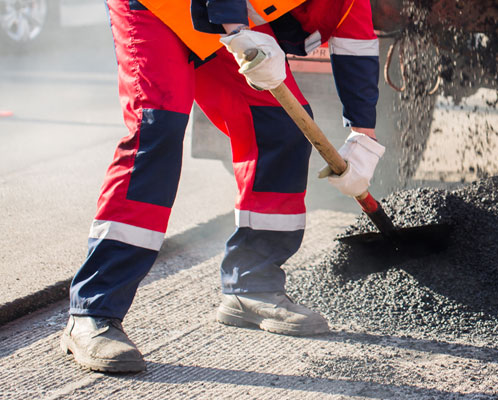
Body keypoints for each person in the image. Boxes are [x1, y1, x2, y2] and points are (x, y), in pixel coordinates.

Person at [60, 0, 385, 373]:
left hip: (222, 14)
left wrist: (363, 138)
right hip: (156, 8)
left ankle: (252, 282)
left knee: (282, 126)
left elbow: (356, 43)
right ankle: (93, 311)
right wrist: (236, 31)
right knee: (158, 129)